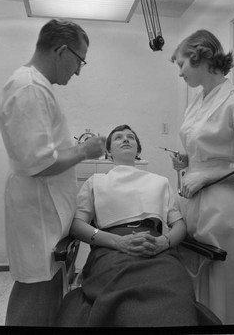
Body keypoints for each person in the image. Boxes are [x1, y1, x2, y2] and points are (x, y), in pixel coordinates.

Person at [0, 18, 106, 326]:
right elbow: (39, 162)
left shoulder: (34, 86)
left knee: (44, 293)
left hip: (43, 211)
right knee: (36, 295)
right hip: (38, 214)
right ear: (61, 51)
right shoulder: (29, 88)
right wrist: (86, 151)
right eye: (79, 60)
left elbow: (43, 153)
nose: (79, 70)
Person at [170, 29, 234, 325]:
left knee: (224, 283)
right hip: (193, 201)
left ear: (199, 55)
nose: (179, 73)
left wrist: (210, 176)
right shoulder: (198, 101)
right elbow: (205, 149)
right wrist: (189, 160)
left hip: (221, 207)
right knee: (197, 279)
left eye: (181, 64)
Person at [54, 124, 198, 327]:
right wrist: (118, 242)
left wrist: (163, 243)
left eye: (131, 137)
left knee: (177, 294)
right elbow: (77, 225)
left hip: (156, 251)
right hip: (110, 252)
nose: (126, 139)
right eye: (119, 137)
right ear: (108, 152)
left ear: (138, 151)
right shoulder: (96, 181)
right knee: (123, 299)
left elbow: (179, 225)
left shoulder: (160, 182)